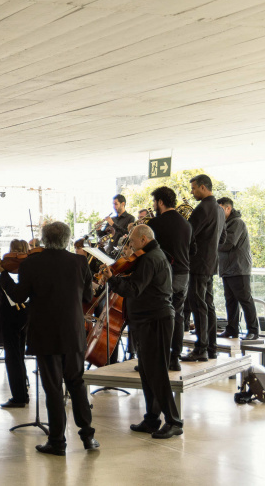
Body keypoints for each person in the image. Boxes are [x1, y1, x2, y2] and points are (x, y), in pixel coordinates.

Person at [14, 222, 98, 456]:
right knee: (77, 382)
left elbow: (19, 296)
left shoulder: (31, 263)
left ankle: (57, 442)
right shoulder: (80, 262)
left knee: (53, 388)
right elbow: (88, 295)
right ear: (67, 239)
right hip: (73, 331)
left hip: (45, 333)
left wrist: (1, 276)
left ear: (43, 239)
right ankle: (88, 437)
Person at [101, 225, 182, 439]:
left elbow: (134, 289)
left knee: (157, 373)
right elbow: (140, 284)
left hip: (156, 319)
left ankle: (174, 421)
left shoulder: (150, 258)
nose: (130, 246)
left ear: (144, 239)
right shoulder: (154, 255)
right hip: (150, 319)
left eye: (133, 242)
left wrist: (112, 279)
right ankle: (152, 419)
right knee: (147, 373)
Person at [147, 186, 192, 370]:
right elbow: (193, 249)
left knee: (158, 316)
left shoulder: (155, 224)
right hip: (183, 273)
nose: (154, 206)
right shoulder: (186, 224)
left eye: (154, 202)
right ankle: (174, 358)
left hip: (163, 276)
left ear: (160, 202)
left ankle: (158, 359)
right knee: (178, 316)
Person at [0, 239, 30, 408]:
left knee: (13, 357)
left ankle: (19, 397)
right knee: (19, 356)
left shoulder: (4, 271)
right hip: (26, 315)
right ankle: (22, 393)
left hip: (10, 317)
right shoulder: (28, 269)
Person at [181, 174, 226, 362]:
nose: (192, 192)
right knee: (208, 305)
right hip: (211, 264)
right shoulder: (220, 210)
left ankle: (200, 349)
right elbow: (222, 239)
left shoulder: (202, 208)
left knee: (198, 305)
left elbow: (187, 234)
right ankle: (212, 348)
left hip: (198, 264)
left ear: (203, 187)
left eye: (193, 188)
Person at [217, 198, 259, 341]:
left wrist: (210, 244)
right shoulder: (225, 223)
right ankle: (232, 329)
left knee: (245, 299)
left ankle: (253, 331)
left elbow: (228, 243)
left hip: (239, 268)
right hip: (227, 268)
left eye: (220, 209)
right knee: (230, 301)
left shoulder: (237, 223)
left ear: (228, 209)